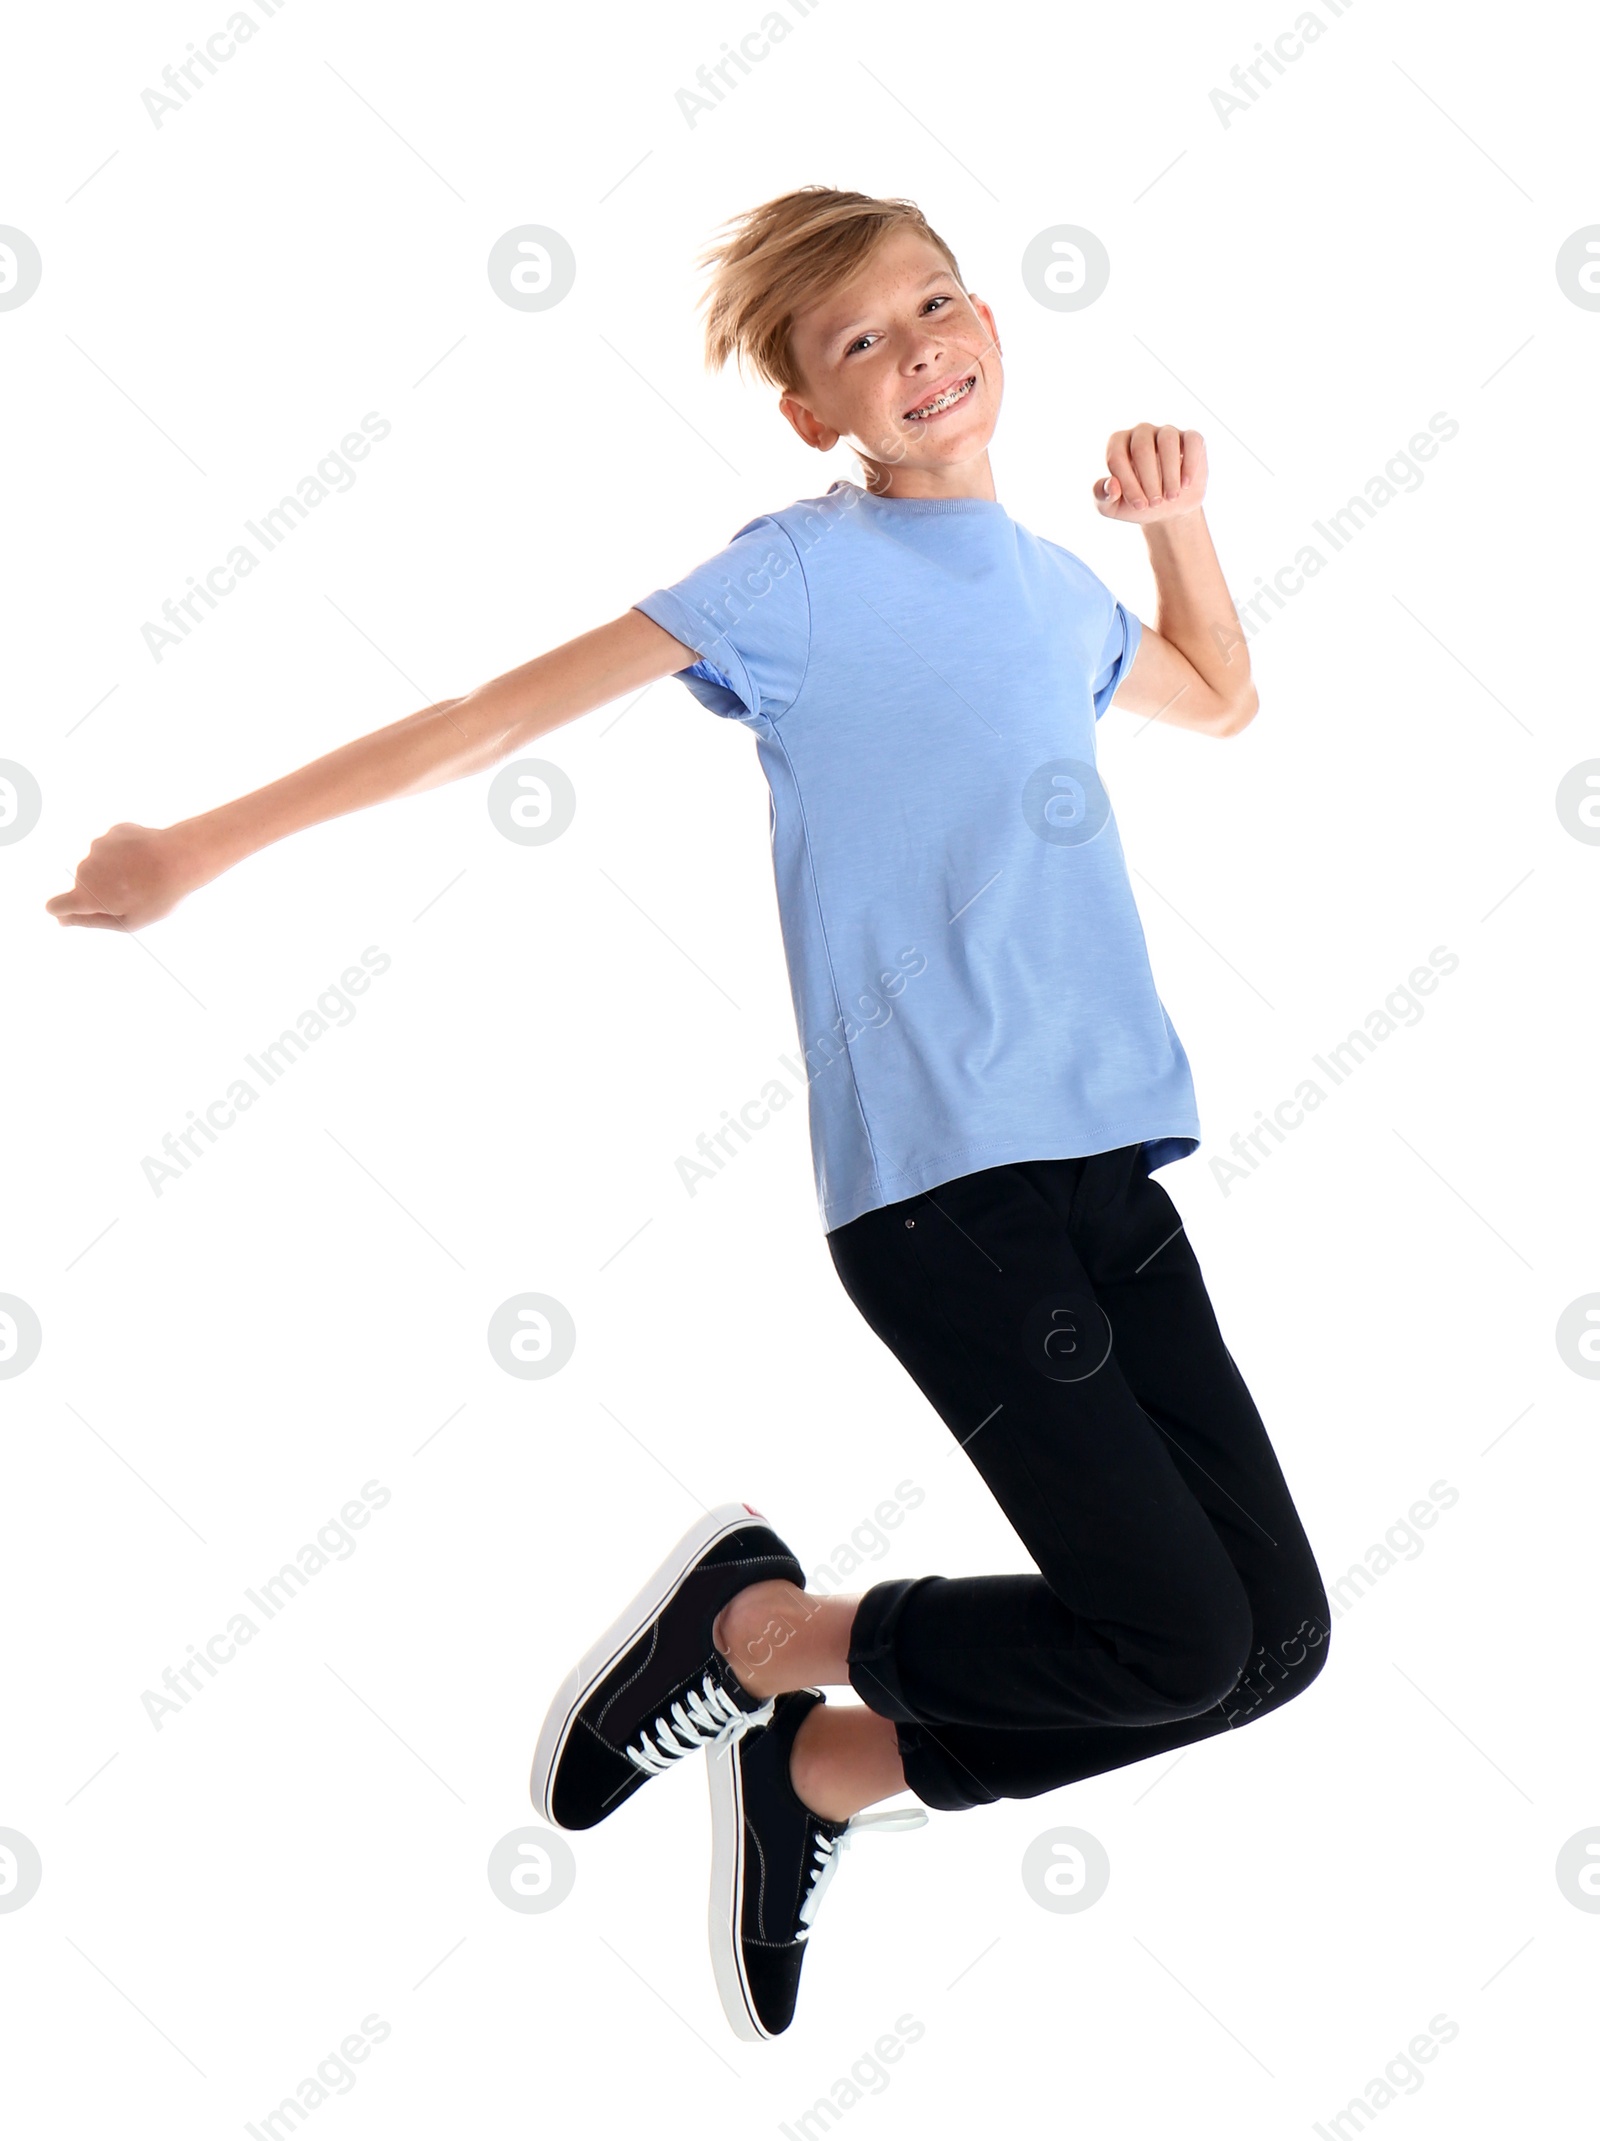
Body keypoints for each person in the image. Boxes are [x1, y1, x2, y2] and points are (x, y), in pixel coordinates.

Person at [48, 186, 1332, 2044]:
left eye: (935, 304)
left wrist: (1181, 523)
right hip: (946, 1198)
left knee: (1266, 1650)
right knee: (1179, 1637)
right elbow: (486, 717)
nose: (919, 352)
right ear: (814, 414)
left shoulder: (1052, 582)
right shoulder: (791, 579)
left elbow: (1221, 693)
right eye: (860, 345)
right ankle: (755, 1637)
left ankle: (822, 1775)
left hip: (1107, 1169)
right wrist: (195, 846)